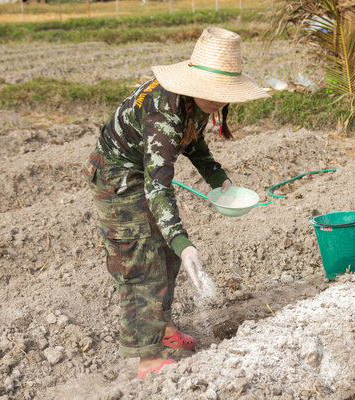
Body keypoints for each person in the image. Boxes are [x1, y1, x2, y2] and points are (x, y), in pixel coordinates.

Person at [82, 27, 268, 379]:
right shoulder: (162, 117)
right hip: (117, 176)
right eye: (212, 92)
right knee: (140, 259)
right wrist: (185, 244)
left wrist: (218, 179)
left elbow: (193, 141)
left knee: (164, 253)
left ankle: (161, 327)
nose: (217, 100)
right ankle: (147, 359)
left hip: (143, 170)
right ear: (195, 83)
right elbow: (158, 189)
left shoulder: (195, 101)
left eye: (222, 94)